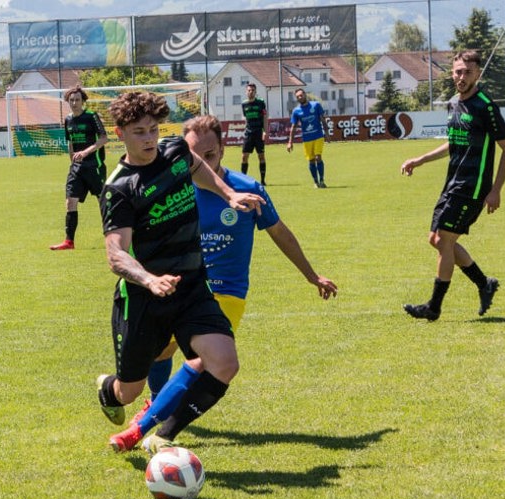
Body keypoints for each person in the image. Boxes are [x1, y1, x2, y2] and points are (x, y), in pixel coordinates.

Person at [108, 114, 338, 452]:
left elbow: (280, 233)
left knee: (203, 360)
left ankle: (149, 429)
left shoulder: (247, 189)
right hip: (176, 286)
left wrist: (311, 275)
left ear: (222, 150)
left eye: (211, 154)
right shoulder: (173, 186)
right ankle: (152, 402)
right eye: (194, 154)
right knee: (158, 352)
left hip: (226, 293)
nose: (204, 162)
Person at [95, 91, 265, 455]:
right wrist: (149, 280)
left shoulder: (174, 151)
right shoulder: (119, 189)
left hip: (190, 288)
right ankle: (106, 389)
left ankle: (163, 434)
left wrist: (228, 194)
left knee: (224, 362)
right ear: (120, 132)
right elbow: (116, 255)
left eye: (154, 129)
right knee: (130, 390)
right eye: (139, 131)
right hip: (144, 299)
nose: (149, 139)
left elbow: (196, 167)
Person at [400, 50, 505, 322]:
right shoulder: (453, 104)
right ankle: (484, 283)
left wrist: (495, 189)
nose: (461, 77)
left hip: (473, 186)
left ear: (478, 74)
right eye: (458, 72)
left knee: (444, 240)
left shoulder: (486, 106)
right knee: (436, 240)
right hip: (452, 183)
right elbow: (454, 142)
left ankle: (434, 307)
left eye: (467, 72)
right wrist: (421, 159)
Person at [50, 85, 109, 251]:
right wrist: (72, 161)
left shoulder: (91, 116)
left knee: (103, 202)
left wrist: (85, 152)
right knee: (70, 202)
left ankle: (112, 236)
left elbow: (104, 139)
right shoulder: (68, 119)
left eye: (77, 100)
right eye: (71, 100)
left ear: (83, 101)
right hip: (76, 168)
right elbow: (70, 143)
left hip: (94, 166)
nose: (74, 102)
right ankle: (69, 241)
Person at [286, 88, 329, 188]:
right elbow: (293, 127)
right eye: (298, 97)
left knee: (318, 157)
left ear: (305, 94)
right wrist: (290, 142)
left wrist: (326, 133)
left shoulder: (316, 105)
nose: (300, 97)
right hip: (307, 139)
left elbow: (323, 119)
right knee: (311, 160)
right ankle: (316, 181)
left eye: (301, 95)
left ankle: (322, 180)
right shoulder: (296, 111)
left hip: (318, 136)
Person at [240, 83, 269, 185]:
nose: (250, 92)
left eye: (252, 90)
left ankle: (262, 180)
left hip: (258, 133)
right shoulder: (244, 104)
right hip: (248, 133)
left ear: (255, 92)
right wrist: (245, 130)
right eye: (249, 90)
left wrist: (265, 131)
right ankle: (243, 180)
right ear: (246, 92)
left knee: (261, 156)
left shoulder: (261, 103)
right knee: (244, 157)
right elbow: (246, 119)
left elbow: (265, 118)